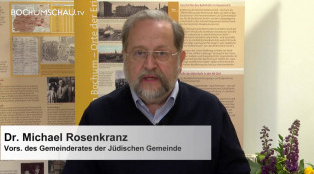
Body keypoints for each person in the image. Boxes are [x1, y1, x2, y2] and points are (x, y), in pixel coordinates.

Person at [63, 9, 250, 174]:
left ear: (180, 60)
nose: (150, 65)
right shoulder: (98, 115)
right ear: (125, 58)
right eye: (139, 53)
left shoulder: (209, 110)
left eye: (161, 53)